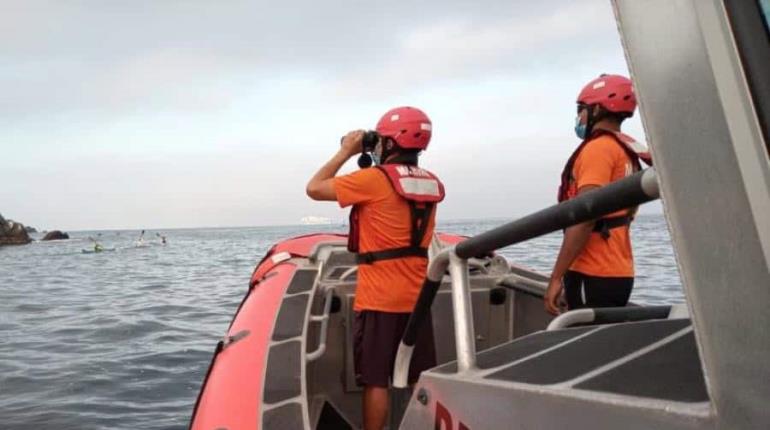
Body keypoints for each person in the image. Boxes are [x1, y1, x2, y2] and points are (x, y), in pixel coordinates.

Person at [306, 106, 444, 430]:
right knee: (417, 378)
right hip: (419, 298)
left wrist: (345, 151)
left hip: (380, 299)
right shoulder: (430, 183)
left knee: (376, 380)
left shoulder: (372, 180)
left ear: (392, 143)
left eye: (380, 140)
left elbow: (314, 187)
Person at [544, 74, 652, 316]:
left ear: (597, 110)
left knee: (583, 347)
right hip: (618, 270)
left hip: (592, 272)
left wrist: (556, 277)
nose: (579, 117)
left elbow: (586, 215)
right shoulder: (624, 151)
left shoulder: (599, 150)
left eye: (582, 110)